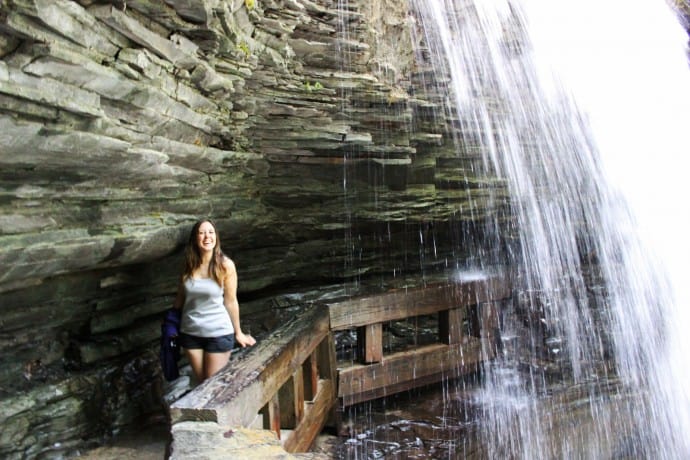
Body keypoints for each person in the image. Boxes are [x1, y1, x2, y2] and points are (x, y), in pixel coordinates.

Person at [173, 219, 256, 383]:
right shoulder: (188, 265)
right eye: (202, 233)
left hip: (218, 333)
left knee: (211, 385)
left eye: (210, 232)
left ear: (216, 237)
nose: (207, 237)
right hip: (190, 334)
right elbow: (180, 299)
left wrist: (238, 332)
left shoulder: (225, 265)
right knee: (201, 384)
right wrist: (170, 327)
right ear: (195, 238)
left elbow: (231, 301)